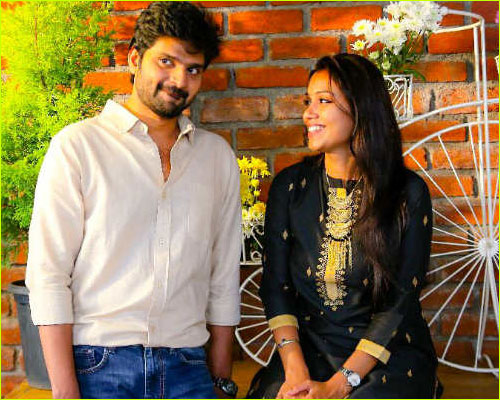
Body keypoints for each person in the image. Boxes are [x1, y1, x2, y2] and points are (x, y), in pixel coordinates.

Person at [26, 2, 241, 398]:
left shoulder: (216, 158)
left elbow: (224, 276)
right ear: (134, 58)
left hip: (189, 367)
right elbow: (48, 275)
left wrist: (221, 379)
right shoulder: (78, 147)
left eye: (193, 69)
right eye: (166, 62)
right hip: (98, 366)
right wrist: (65, 391)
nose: (179, 80)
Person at [247, 54, 442, 399]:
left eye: (324, 101)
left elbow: (400, 303)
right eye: (308, 101)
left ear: (361, 109)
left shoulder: (407, 193)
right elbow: (276, 287)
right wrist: (295, 370)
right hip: (308, 351)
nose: (309, 113)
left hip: (386, 356)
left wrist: (340, 385)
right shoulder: (290, 188)